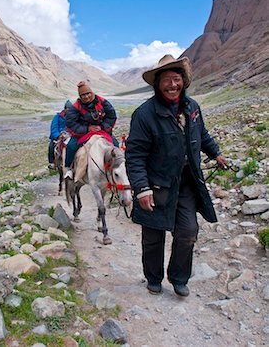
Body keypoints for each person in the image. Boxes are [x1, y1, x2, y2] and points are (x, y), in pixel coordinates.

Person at [125, 54, 228, 297]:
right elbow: (136, 154)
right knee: (153, 236)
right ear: (157, 84)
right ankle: (153, 277)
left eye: (177, 79)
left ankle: (179, 277)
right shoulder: (144, 114)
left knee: (188, 231)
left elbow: (201, 134)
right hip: (156, 185)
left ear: (184, 81)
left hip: (186, 183)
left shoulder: (192, 107)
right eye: (167, 80)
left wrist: (216, 154)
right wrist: (141, 188)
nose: (173, 85)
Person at [64, 81, 118, 178]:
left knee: (115, 145)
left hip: (101, 130)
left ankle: (118, 167)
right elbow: (71, 124)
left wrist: (102, 127)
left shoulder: (102, 102)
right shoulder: (75, 107)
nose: (86, 97)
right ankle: (69, 169)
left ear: (91, 93)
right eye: (83, 95)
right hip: (83, 133)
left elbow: (111, 116)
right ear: (80, 96)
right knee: (71, 147)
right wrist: (87, 129)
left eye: (88, 93)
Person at [48, 100, 72, 169]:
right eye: (68, 109)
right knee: (51, 146)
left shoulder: (72, 117)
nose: (69, 110)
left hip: (69, 135)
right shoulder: (57, 117)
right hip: (58, 136)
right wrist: (58, 135)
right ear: (65, 108)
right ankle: (52, 162)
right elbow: (54, 128)